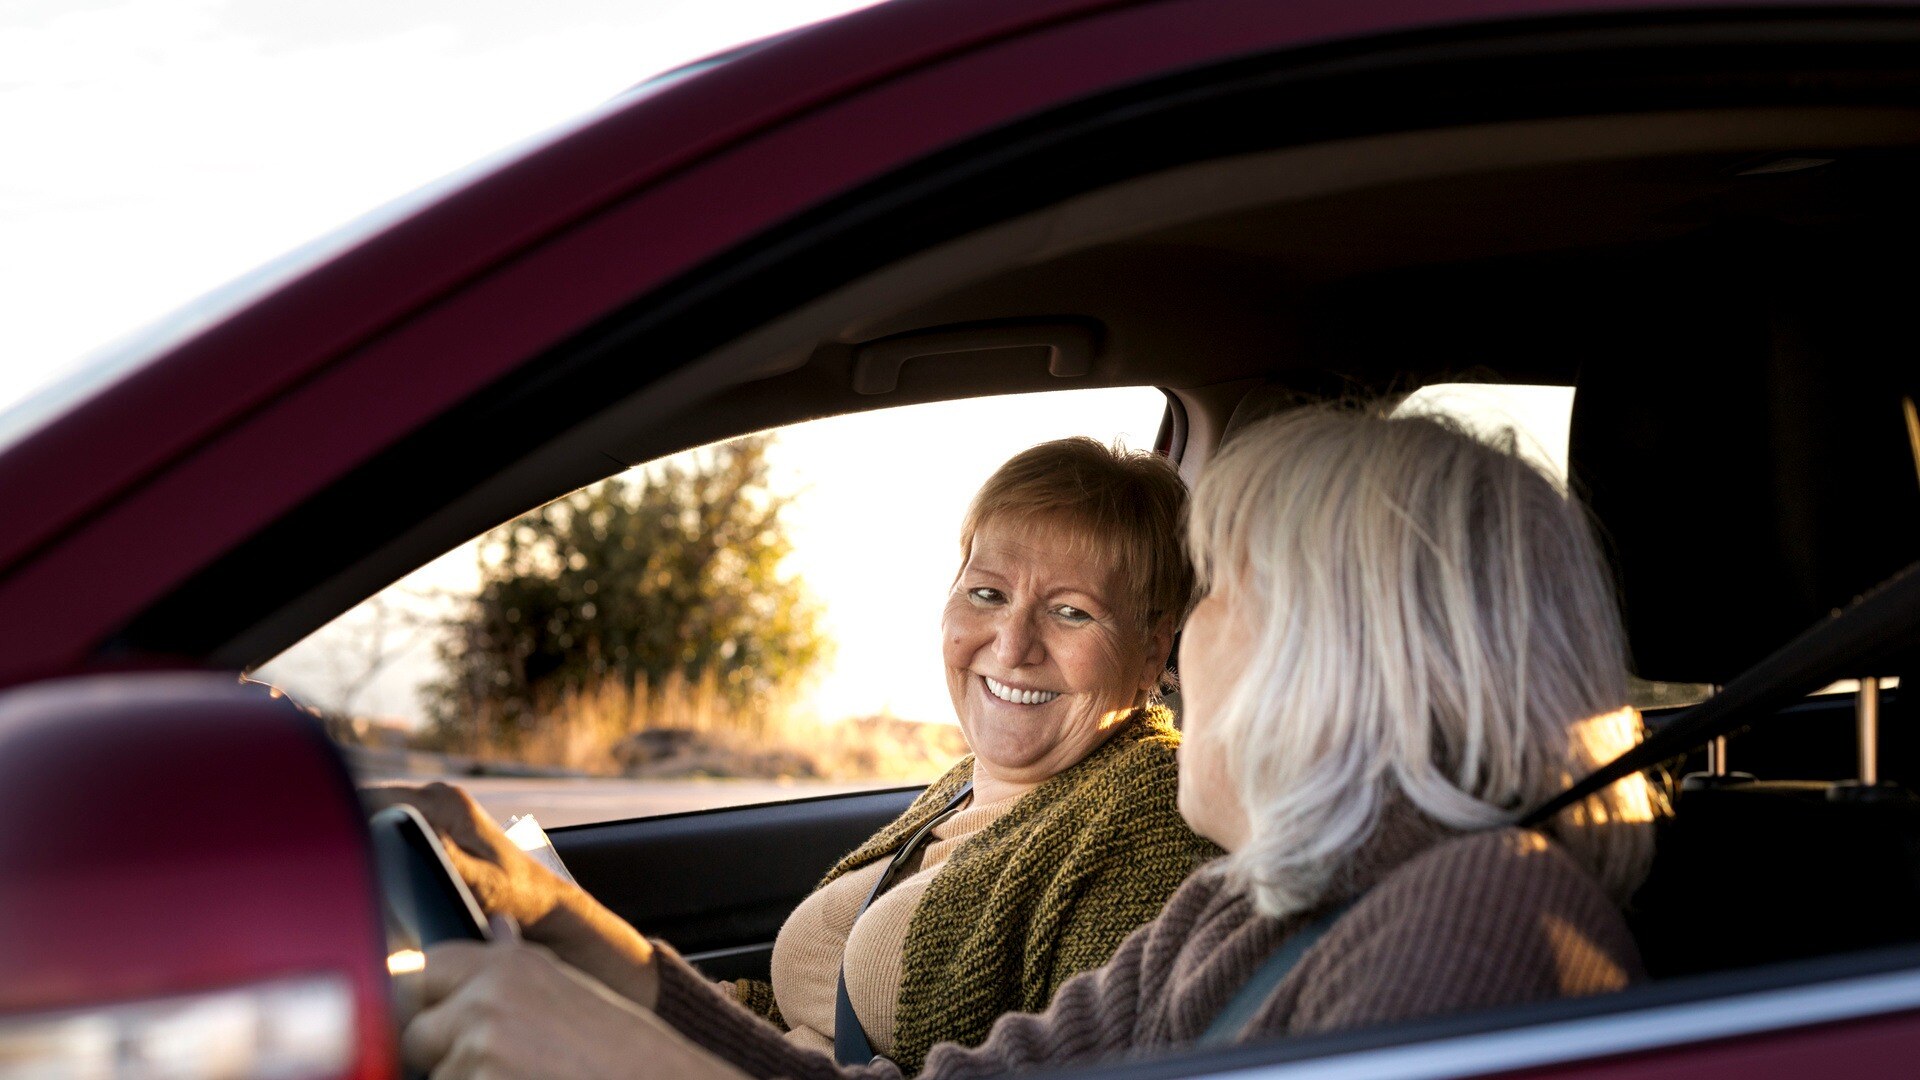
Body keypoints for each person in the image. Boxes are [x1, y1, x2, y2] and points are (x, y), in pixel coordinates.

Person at [396, 403, 1664, 1080]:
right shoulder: (1249, 908)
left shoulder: (1479, 931)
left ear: (1348, 653)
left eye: (1212, 594)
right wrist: (586, 945)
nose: (1182, 649)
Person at [374, 436, 1220, 1074]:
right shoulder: (969, 786)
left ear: (1152, 653)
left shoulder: (1147, 820)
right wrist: (552, 914)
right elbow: (777, 1030)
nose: (1011, 642)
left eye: (1070, 612)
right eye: (987, 593)